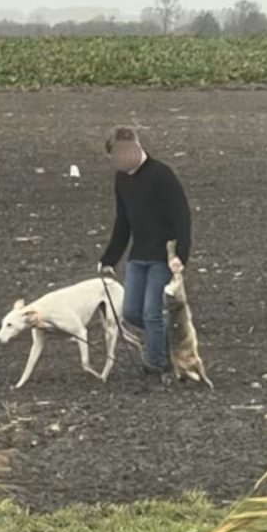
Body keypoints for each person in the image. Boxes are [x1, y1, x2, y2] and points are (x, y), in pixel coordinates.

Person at [97, 126, 192, 380]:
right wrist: (110, 258)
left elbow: (182, 216)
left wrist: (180, 255)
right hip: (138, 256)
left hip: (162, 257)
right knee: (130, 312)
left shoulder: (162, 175)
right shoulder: (122, 179)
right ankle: (167, 345)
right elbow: (123, 221)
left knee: (152, 312)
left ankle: (157, 365)